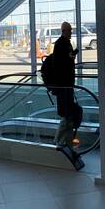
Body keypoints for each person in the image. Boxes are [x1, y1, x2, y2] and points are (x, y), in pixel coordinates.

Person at [44, 22, 81, 150]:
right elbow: (62, 64)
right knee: (67, 114)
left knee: (68, 114)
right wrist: (71, 56)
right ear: (64, 31)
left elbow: (64, 61)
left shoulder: (63, 43)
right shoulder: (62, 44)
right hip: (63, 85)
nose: (71, 32)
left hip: (65, 85)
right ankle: (60, 141)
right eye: (69, 30)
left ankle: (67, 142)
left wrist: (71, 56)